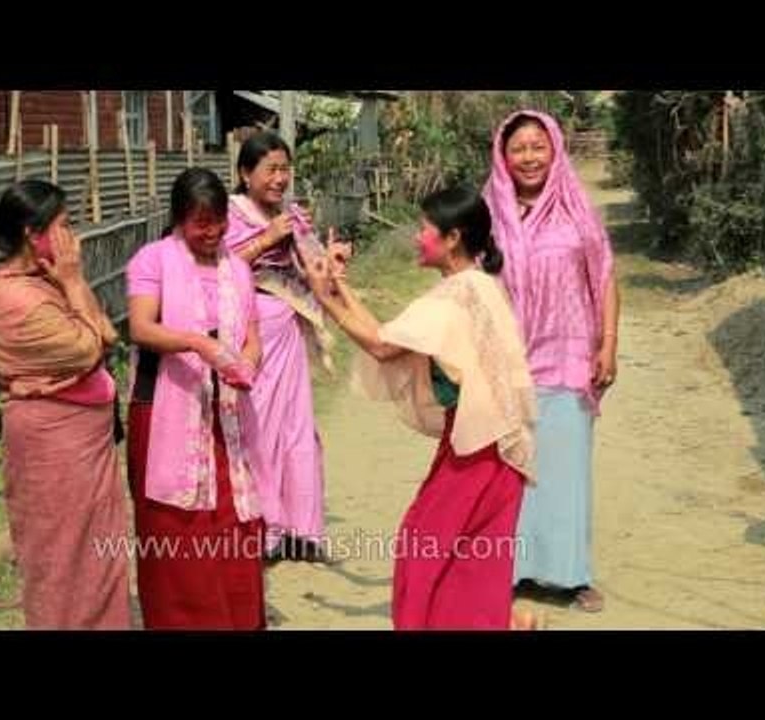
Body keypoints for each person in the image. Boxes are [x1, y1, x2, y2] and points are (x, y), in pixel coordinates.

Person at [303, 186, 536, 630]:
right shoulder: (472, 286)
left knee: (424, 547)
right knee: (467, 561)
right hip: (488, 444)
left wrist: (325, 296)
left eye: (425, 228)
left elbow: (380, 345)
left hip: (481, 450)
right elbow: (391, 335)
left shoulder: (458, 296)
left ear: (452, 238)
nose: (417, 237)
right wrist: (336, 290)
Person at [0, 180, 131, 630]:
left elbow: (108, 332)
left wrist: (73, 285)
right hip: (53, 447)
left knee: (100, 547)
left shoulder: (49, 281)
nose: (73, 240)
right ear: (33, 232)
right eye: (64, 226)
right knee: (62, 554)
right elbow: (89, 346)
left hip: (88, 444)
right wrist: (76, 281)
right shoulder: (11, 297)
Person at [483, 110, 620, 612]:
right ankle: (510, 570)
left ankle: (570, 573)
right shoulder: (489, 213)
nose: (529, 157)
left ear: (555, 148)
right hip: (505, 363)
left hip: (567, 357)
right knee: (508, 472)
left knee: (566, 468)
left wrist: (607, 344)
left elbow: (604, 276)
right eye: (518, 148)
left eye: (538, 145)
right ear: (503, 154)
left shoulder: (577, 210)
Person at [126, 168, 266, 630]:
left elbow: (251, 335)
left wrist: (246, 361)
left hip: (226, 411)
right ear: (179, 220)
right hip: (168, 404)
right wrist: (198, 344)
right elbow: (142, 328)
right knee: (175, 522)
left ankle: (237, 617)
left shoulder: (238, 267)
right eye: (200, 223)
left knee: (231, 516)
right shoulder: (153, 259)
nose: (211, 232)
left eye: (218, 220)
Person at [223, 131, 349, 562]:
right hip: (249, 329)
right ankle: (264, 531)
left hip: (288, 328)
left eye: (285, 169)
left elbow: (313, 266)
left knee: (296, 426)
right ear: (245, 172)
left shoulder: (292, 213)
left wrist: (329, 260)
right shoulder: (228, 214)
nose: (279, 179)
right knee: (259, 425)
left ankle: (301, 528)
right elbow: (213, 269)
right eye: (270, 169)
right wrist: (265, 239)